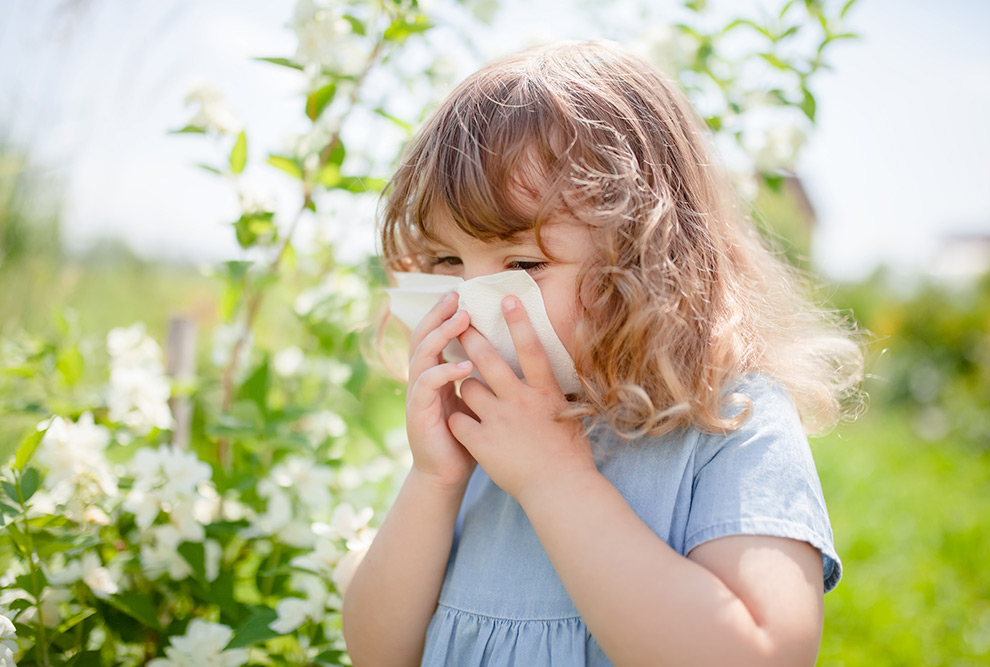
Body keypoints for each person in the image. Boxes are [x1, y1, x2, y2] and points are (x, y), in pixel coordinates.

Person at [342, 40, 864, 666]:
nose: (472, 301)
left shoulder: (730, 422)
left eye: (525, 263)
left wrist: (556, 480)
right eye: (446, 261)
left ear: (648, 260)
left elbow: (762, 654)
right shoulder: (479, 436)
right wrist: (435, 479)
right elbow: (378, 653)